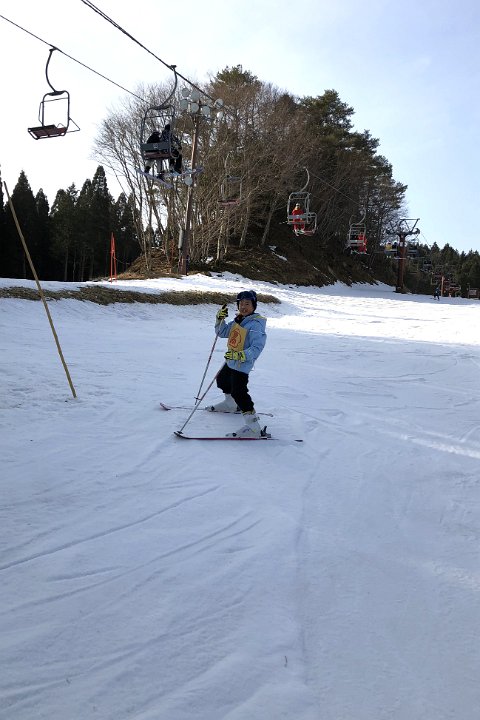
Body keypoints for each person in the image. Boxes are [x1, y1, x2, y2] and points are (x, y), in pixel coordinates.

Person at [207, 290, 267, 437]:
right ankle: (230, 404)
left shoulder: (255, 325)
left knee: (239, 392)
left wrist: (240, 355)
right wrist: (219, 319)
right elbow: (222, 332)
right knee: (222, 380)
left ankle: (254, 428)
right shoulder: (238, 320)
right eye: (241, 304)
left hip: (242, 364)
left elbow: (257, 348)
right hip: (231, 360)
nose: (243, 307)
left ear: (254, 306)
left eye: (247, 304)